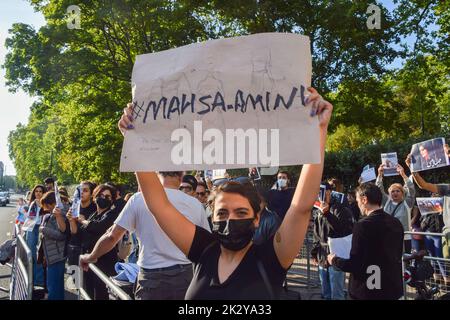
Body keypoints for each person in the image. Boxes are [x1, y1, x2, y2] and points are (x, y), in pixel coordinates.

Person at [118, 87, 333, 299]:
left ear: (256, 218)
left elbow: (300, 209)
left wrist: (318, 131)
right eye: (222, 213)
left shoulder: (271, 258)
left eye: (240, 213)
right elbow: (159, 206)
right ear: (211, 217)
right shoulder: (204, 250)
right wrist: (135, 141)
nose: (230, 219)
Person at [80, 171, 211, 300]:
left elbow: (112, 237)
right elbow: (207, 248)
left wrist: (91, 256)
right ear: (182, 175)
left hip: (151, 279)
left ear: (157, 173)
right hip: (185, 278)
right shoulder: (195, 204)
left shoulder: (138, 199)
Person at [327, 183, 404, 300]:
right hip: (391, 288)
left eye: (358, 201)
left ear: (364, 200)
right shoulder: (396, 223)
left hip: (368, 290)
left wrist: (334, 260)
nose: (357, 205)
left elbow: (356, 263)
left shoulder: (363, 226)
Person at [311, 182, 353, 300]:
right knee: (325, 290)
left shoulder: (340, 208)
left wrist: (327, 214)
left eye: (322, 192)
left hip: (336, 254)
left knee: (337, 291)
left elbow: (341, 230)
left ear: (329, 192)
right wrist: (314, 252)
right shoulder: (318, 209)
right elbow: (316, 233)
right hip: (322, 256)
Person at [78, 184, 119, 300]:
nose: (104, 198)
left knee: (100, 294)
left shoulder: (112, 215)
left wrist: (83, 221)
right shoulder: (94, 214)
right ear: (95, 197)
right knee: (88, 292)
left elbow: (98, 227)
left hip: (104, 262)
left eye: (108, 197)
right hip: (89, 261)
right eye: (101, 195)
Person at [376, 163, 415, 252]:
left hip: (404, 238)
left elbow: (411, 190)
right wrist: (380, 174)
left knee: (404, 262)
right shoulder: (386, 202)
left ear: (402, 193)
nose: (395, 193)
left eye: (398, 191)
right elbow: (378, 189)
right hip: (388, 238)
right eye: (392, 191)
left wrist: (403, 174)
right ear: (389, 194)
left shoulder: (407, 203)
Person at [39, 191, 68, 300]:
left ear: (52, 203)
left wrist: (43, 230)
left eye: (46, 205)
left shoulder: (61, 212)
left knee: (54, 288)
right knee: (56, 287)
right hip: (53, 254)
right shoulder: (57, 212)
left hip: (56, 255)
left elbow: (62, 235)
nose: (45, 208)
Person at [66, 181, 97, 266]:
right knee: (75, 278)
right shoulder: (74, 207)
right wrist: (71, 220)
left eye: (85, 190)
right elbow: (74, 232)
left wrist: (84, 221)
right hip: (75, 251)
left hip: (89, 252)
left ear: (91, 194)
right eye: (80, 190)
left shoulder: (96, 209)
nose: (82, 192)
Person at [23, 184, 46, 287]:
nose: (38, 193)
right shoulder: (32, 203)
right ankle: (30, 278)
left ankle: (39, 281)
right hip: (31, 229)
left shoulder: (46, 203)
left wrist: (41, 205)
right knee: (31, 255)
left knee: (38, 255)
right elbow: (29, 218)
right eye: (36, 191)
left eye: (40, 191)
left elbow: (47, 214)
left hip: (41, 229)